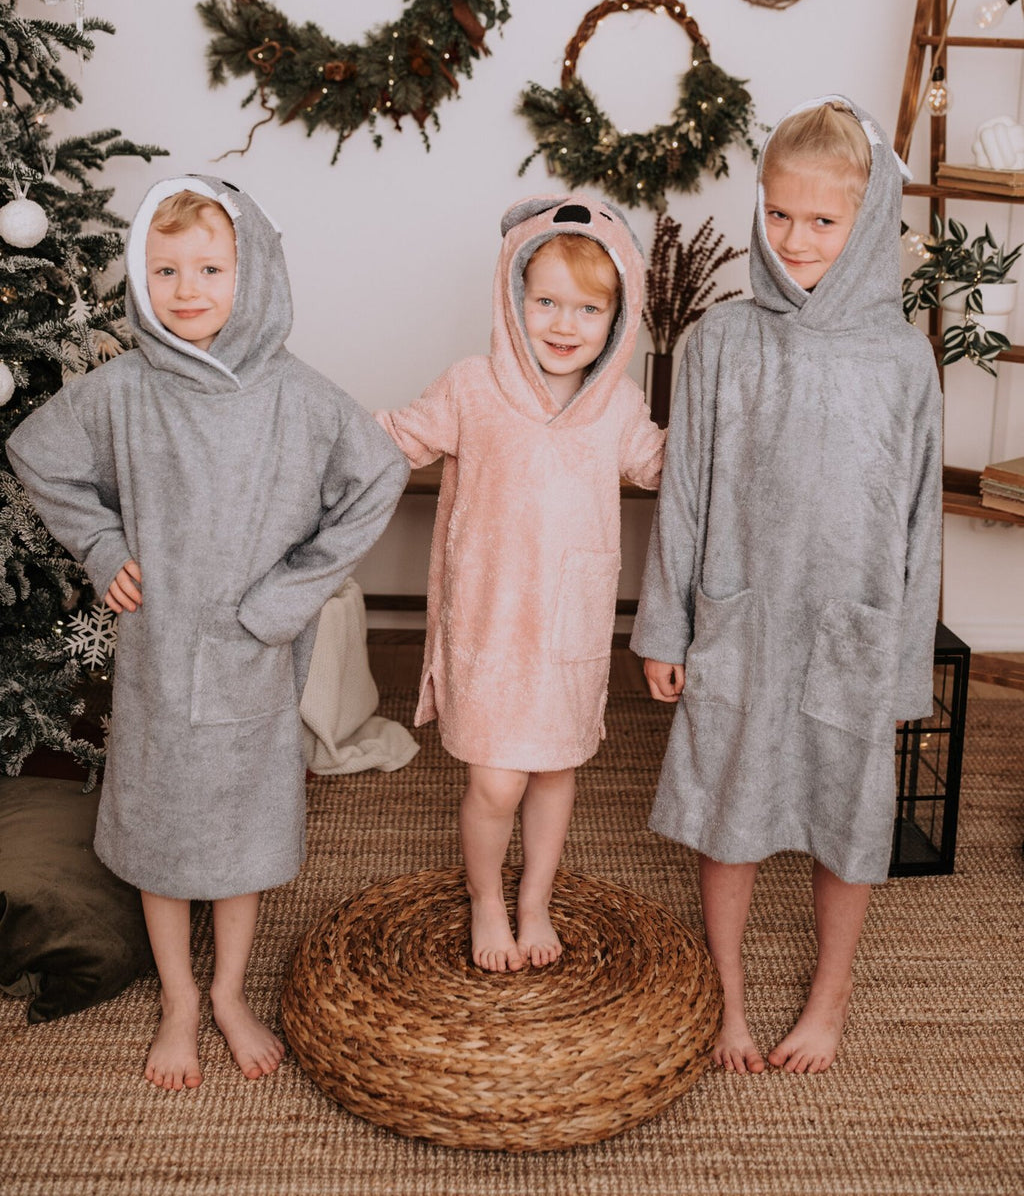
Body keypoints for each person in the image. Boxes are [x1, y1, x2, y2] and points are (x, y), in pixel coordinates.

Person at [7, 177, 407, 1091]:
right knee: (160, 828)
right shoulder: (123, 389)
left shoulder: (296, 395)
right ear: (140, 278)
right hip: (157, 653)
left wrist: (287, 597)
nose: (187, 289)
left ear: (251, 271)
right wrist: (102, 545)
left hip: (254, 656)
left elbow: (378, 477)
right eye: (166, 270)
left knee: (241, 831)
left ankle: (229, 992)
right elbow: (37, 452)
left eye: (210, 269)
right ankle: (181, 999)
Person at [633, 98, 942, 1075]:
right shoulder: (720, 342)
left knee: (846, 814)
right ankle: (725, 993)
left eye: (821, 220)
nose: (794, 239)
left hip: (851, 626)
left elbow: (921, 520)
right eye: (777, 214)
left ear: (867, 220)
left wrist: (903, 665)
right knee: (730, 808)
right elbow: (683, 496)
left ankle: (829, 991)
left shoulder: (902, 359)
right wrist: (665, 628)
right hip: (743, 618)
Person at [377, 196, 664, 973]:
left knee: (554, 772)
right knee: (496, 783)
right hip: (491, 629)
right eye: (547, 302)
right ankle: (485, 898)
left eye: (589, 309)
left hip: (570, 632)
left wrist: (731, 436)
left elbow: (660, 465)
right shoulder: (471, 387)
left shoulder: (618, 404)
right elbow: (394, 440)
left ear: (619, 317)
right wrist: (307, 432)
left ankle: (535, 898)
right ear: (513, 297)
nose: (565, 324)